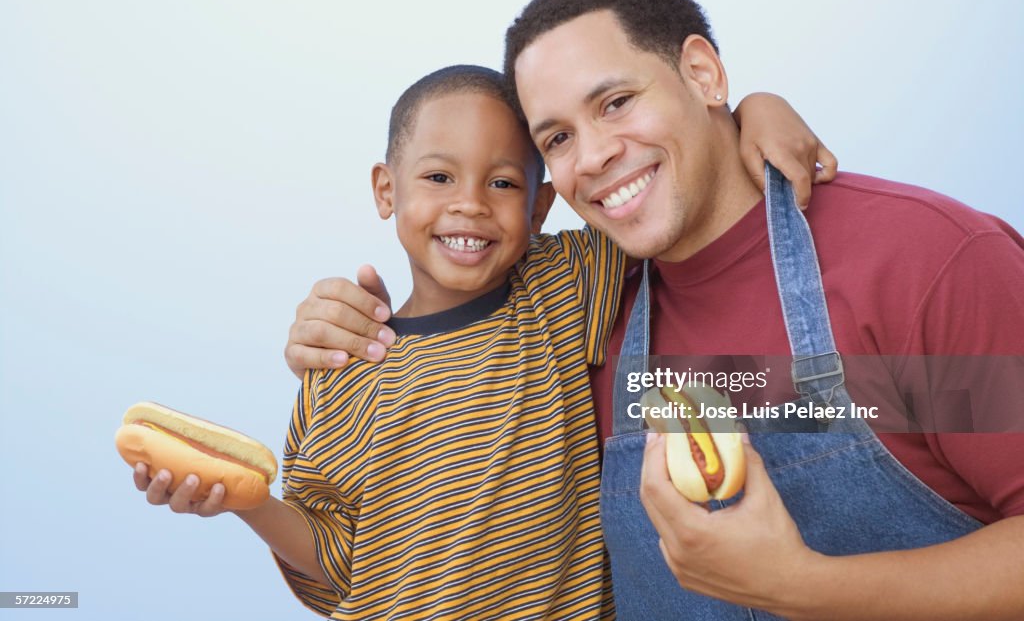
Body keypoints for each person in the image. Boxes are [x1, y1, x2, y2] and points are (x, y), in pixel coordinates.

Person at [286, 0, 1024, 620]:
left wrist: (804, 585)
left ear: (703, 74)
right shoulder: (588, 317)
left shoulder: (917, 264)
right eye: (557, 139)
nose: (596, 157)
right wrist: (338, 327)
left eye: (615, 102)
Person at [131, 63, 827, 620]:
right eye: (438, 177)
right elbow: (339, 561)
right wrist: (248, 502)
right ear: (386, 189)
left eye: (502, 182)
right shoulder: (338, 369)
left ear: (540, 205)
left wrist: (750, 108)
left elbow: (671, 188)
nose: (469, 202)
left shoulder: (563, 287)